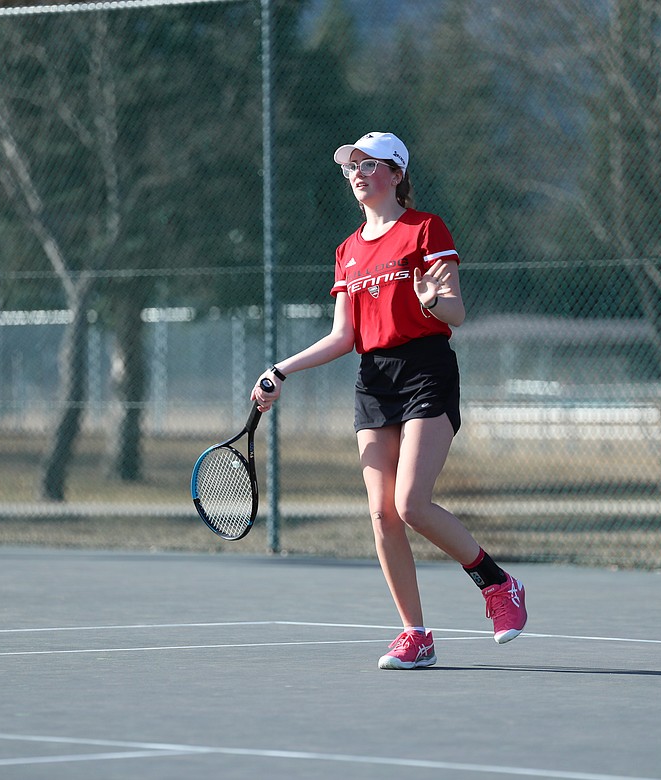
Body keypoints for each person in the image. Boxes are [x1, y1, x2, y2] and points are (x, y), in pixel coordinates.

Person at [251, 131, 527, 670]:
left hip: (426, 368)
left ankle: (498, 584)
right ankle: (415, 635)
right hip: (374, 379)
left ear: (396, 174)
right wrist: (280, 370)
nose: (357, 173)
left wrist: (432, 303)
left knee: (410, 504)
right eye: (351, 167)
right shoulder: (347, 251)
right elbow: (343, 337)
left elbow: (457, 313)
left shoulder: (426, 229)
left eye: (369, 164)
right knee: (381, 514)